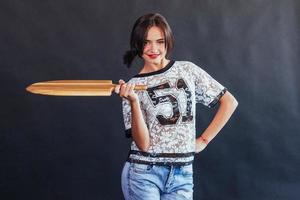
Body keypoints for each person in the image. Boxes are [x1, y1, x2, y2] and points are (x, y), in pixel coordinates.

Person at [114, 13, 238, 200]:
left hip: (183, 173)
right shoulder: (132, 87)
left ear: (168, 42)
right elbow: (143, 145)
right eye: (146, 42)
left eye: (160, 41)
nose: (153, 48)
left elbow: (229, 102)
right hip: (144, 172)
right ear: (138, 44)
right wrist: (133, 102)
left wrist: (204, 140)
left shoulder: (187, 70)